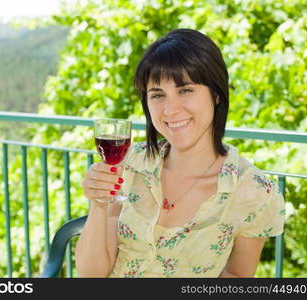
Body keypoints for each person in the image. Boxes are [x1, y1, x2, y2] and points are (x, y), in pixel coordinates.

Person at [76, 28, 285, 278]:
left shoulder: (253, 191)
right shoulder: (129, 164)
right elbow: (90, 275)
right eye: (157, 95)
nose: (170, 109)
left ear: (216, 94)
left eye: (185, 90)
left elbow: (237, 276)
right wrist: (99, 205)